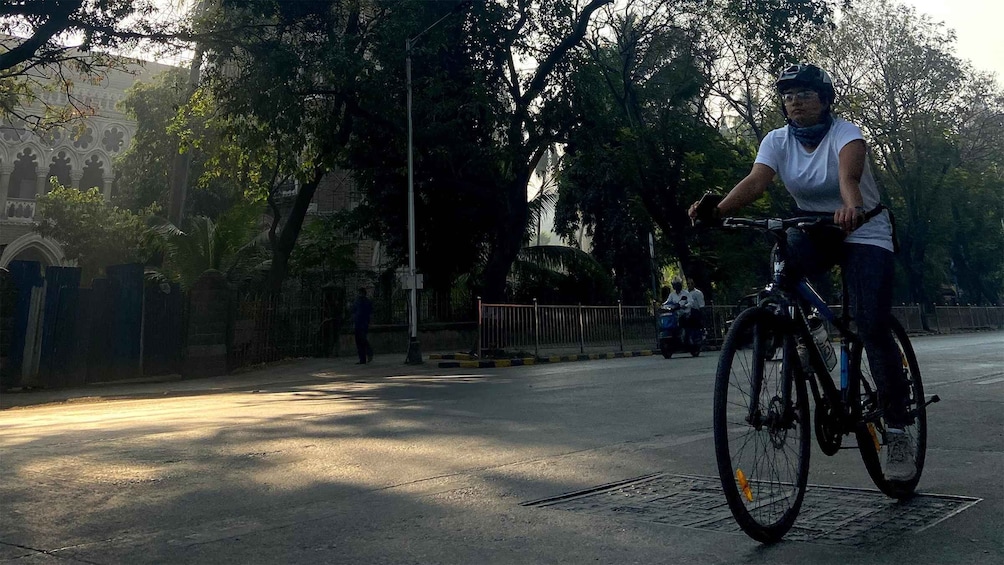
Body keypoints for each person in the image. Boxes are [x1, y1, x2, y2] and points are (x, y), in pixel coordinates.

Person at [689, 63, 912, 481]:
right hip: (814, 227)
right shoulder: (776, 140)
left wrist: (850, 207)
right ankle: (813, 332)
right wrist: (717, 212)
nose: (795, 101)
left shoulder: (847, 134)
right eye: (789, 95)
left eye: (805, 94)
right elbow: (757, 182)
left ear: (825, 100)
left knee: (870, 323)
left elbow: (849, 177)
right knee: (783, 266)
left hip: (863, 228)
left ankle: (898, 430)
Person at [352, 287, 374, 364]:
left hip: (362, 323)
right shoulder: (360, 301)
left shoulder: (361, 301)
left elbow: (354, 311)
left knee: (362, 340)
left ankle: (368, 353)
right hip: (361, 323)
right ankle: (363, 358)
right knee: (360, 340)